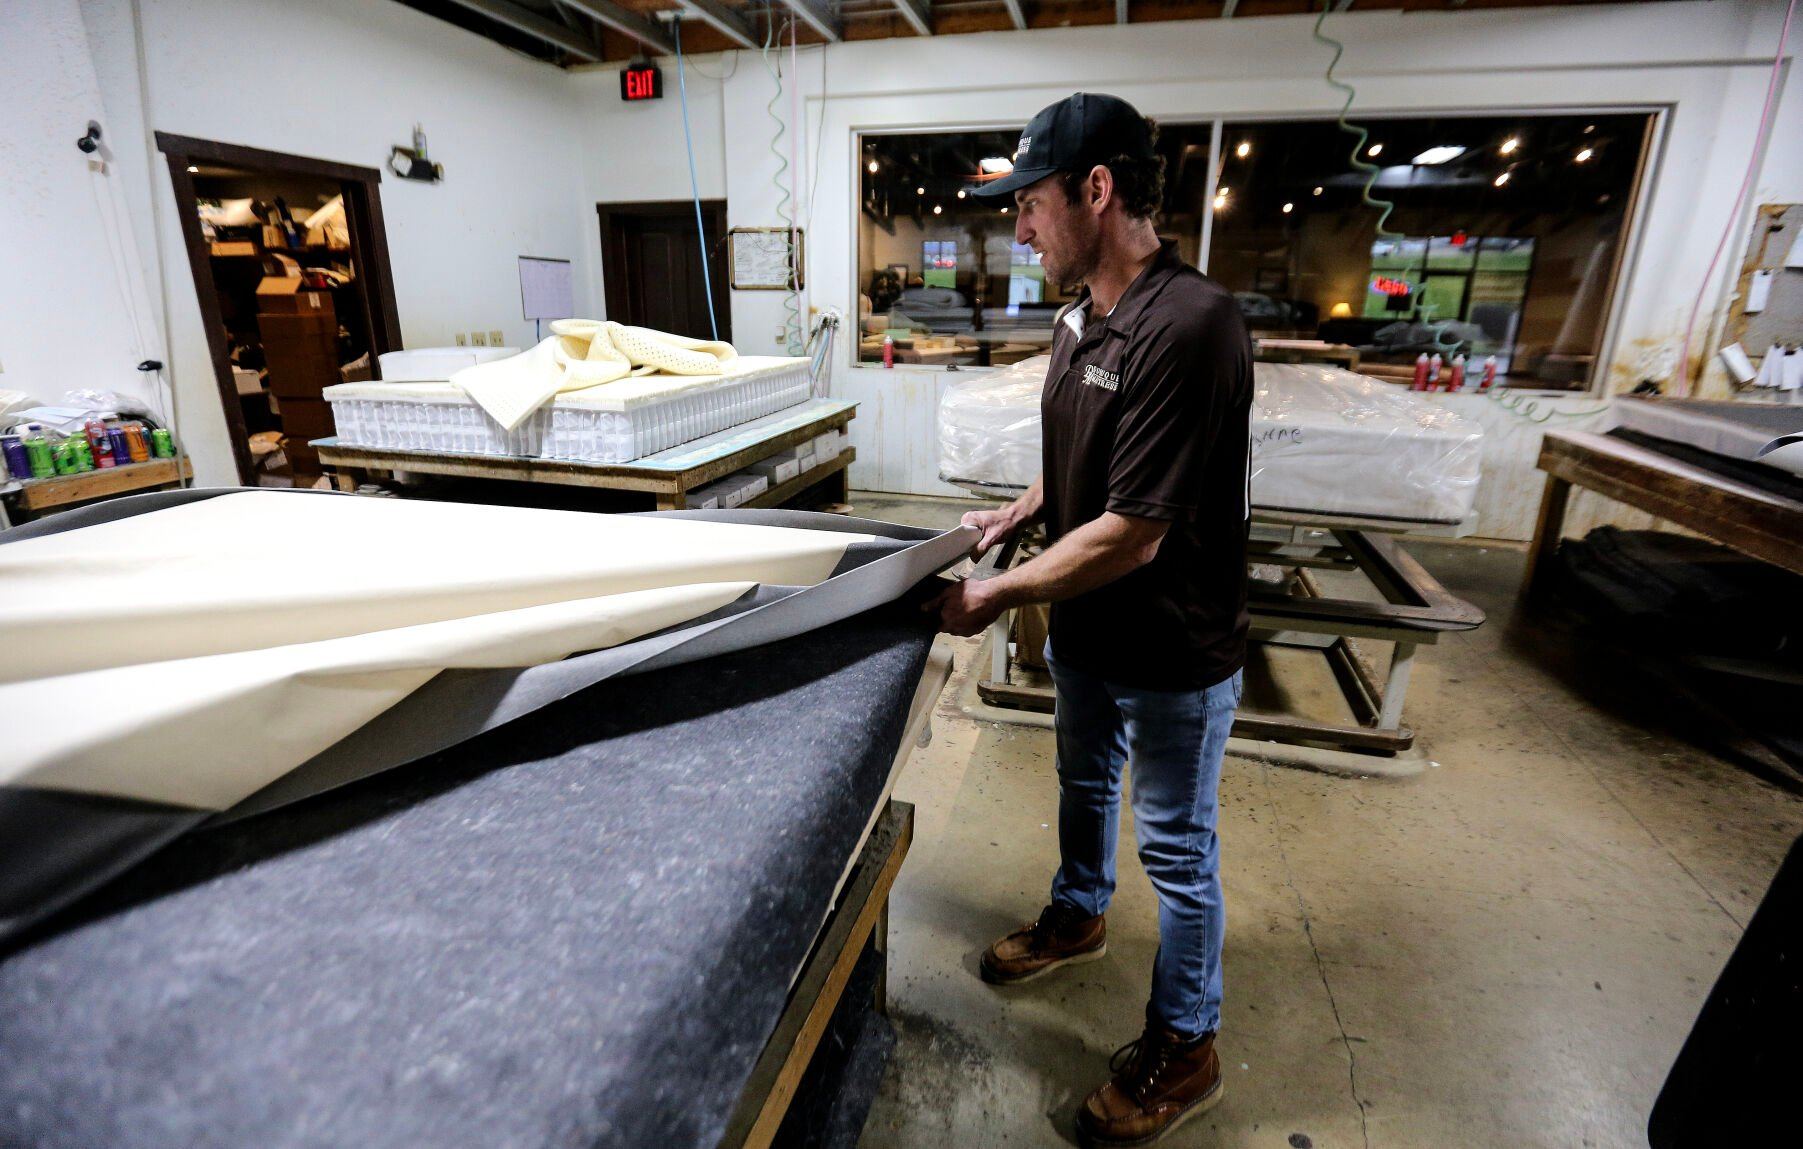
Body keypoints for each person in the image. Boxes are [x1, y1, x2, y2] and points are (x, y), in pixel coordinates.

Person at [927, 92, 1253, 1148]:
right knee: (1078, 784)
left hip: (1171, 643)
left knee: (1177, 849)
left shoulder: (1193, 324)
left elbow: (1135, 531)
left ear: (1096, 189)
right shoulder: (1078, 320)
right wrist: (1016, 511)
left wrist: (991, 596)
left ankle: (1187, 1043)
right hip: (1091, 636)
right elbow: (1087, 470)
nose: (1020, 228)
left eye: (1030, 204)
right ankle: (1078, 913)